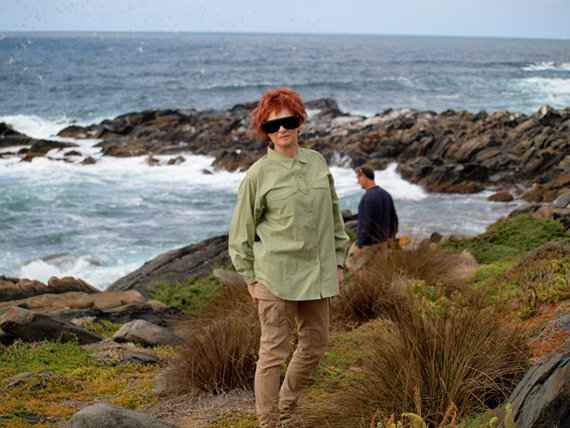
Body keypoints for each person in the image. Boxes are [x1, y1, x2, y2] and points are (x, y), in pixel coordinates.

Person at [228, 87, 349, 428]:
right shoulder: (257, 175)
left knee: (317, 343)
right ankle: (268, 422)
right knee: (273, 354)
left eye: (289, 120)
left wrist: (338, 260)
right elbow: (240, 234)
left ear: (300, 122)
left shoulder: (317, 161)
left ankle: (287, 405)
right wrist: (251, 278)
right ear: (264, 131)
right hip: (274, 277)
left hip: (317, 273)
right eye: (272, 124)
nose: (282, 129)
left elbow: (335, 214)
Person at [345, 164, 399, 275]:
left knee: (350, 264)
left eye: (358, 178)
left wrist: (359, 245)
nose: (358, 182)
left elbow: (364, 224)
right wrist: (391, 237)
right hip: (383, 240)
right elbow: (394, 219)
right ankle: (378, 289)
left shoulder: (367, 198)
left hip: (368, 243)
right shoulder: (386, 194)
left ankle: (370, 286)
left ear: (363, 177)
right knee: (377, 269)